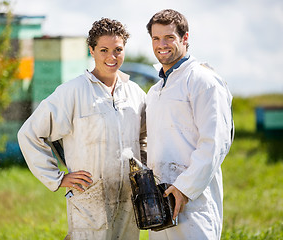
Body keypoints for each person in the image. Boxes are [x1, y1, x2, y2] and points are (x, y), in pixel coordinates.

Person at [17, 18, 147, 240]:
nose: (111, 57)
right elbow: (29, 133)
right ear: (91, 50)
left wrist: (143, 170)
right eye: (104, 50)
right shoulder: (73, 91)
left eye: (118, 50)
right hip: (90, 199)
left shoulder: (135, 93)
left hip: (128, 198)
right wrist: (57, 178)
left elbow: (145, 137)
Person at [145, 9, 234, 240]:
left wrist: (184, 188)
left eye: (169, 37)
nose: (161, 44)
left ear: (185, 39)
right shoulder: (155, 91)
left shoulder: (203, 81)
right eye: (156, 38)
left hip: (195, 203)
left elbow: (215, 143)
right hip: (160, 205)